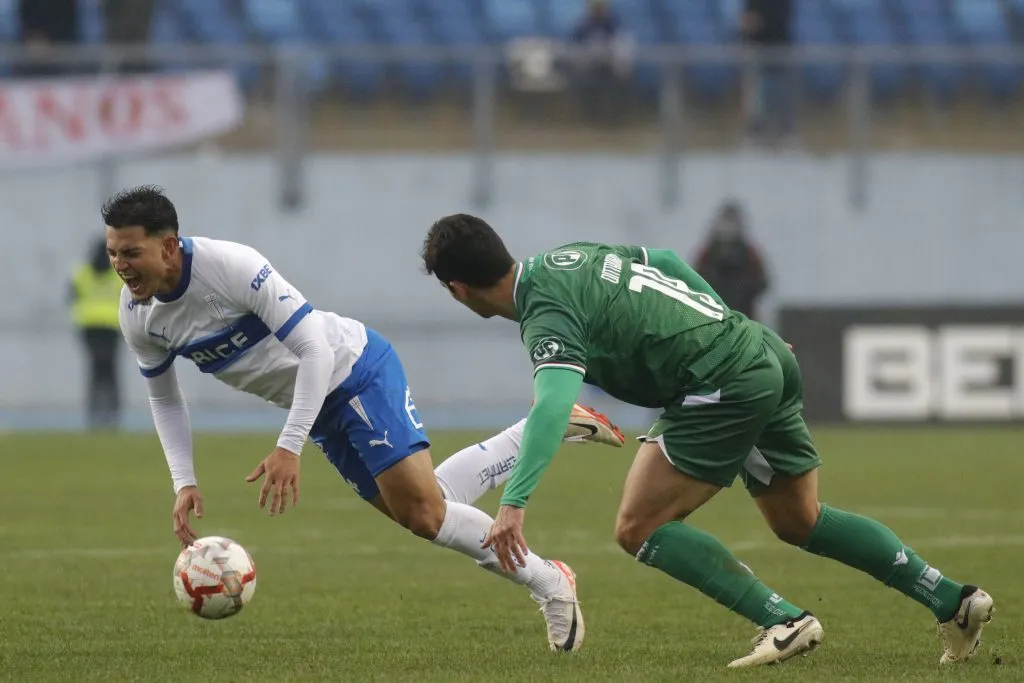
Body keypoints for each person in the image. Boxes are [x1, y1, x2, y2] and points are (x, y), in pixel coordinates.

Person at [419, 213, 995, 668]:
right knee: (800, 520)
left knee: (637, 526)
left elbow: (551, 408)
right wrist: (729, 322)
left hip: (719, 384)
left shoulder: (545, 315)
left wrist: (513, 505)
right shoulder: (568, 258)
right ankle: (954, 599)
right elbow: (665, 260)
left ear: (456, 289)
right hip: (758, 350)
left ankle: (783, 619)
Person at [105, 186, 627, 652]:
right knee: (425, 512)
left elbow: (313, 349)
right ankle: (545, 427)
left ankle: (550, 583)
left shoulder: (231, 267)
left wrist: (289, 446)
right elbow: (165, 399)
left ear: (169, 245)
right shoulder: (137, 314)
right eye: (113, 254)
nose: (121, 266)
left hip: (353, 370)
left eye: (131, 252)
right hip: (319, 408)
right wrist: (183, 481)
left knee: (425, 514)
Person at [69, 237, 125, 429]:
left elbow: (71, 296)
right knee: (111, 371)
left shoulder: (82, 273)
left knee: (95, 371)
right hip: (111, 326)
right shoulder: (118, 274)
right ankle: (113, 413)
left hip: (89, 327)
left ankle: (94, 412)